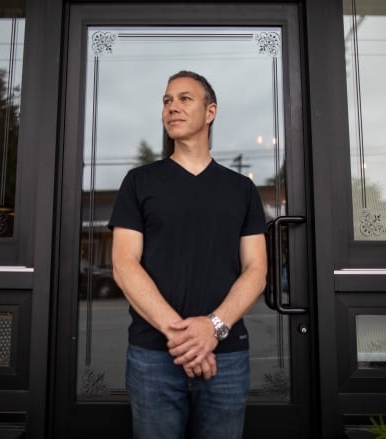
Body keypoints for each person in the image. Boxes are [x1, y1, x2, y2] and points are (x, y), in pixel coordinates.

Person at [108, 70, 268, 439]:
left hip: (225, 357)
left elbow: (256, 269)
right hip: (153, 356)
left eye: (184, 99)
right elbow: (123, 264)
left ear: (210, 112)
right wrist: (186, 338)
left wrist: (212, 328)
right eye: (166, 101)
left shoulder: (241, 189)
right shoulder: (139, 182)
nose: (172, 107)